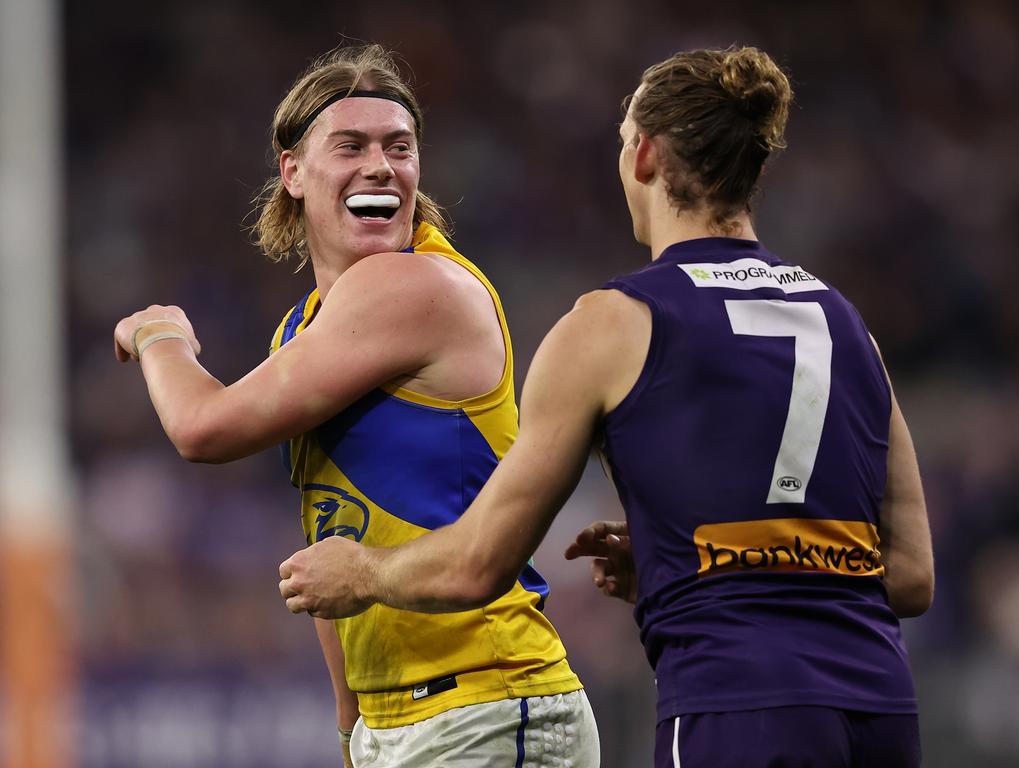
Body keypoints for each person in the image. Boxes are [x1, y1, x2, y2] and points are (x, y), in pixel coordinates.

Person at [277, 45, 934, 767]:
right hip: (880, 702)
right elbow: (910, 577)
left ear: (645, 155)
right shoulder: (847, 324)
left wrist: (363, 573)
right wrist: (676, 561)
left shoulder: (613, 324)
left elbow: (477, 567)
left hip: (735, 702)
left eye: (623, 140)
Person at [113, 44, 599, 768]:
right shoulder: (303, 327)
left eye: (399, 148)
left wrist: (160, 336)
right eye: (351, 145)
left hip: (486, 703)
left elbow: (201, 428)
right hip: (404, 719)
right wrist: (352, 728)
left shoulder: (413, 287)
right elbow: (330, 542)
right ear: (293, 172)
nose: (381, 165)